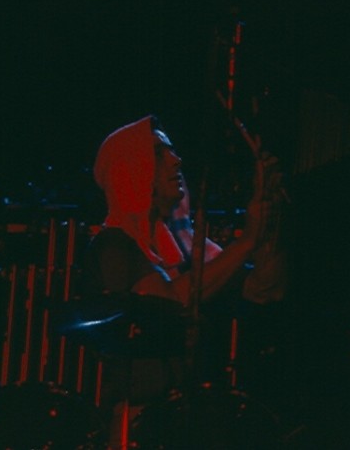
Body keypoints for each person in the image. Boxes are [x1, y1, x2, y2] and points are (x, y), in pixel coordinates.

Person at [81, 114, 287, 447]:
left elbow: (266, 289)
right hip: (140, 430)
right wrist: (247, 241)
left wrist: (269, 221)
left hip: (199, 423)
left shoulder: (191, 249)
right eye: (160, 153)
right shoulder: (114, 245)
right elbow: (165, 303)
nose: (177, 160)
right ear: (131, 168)